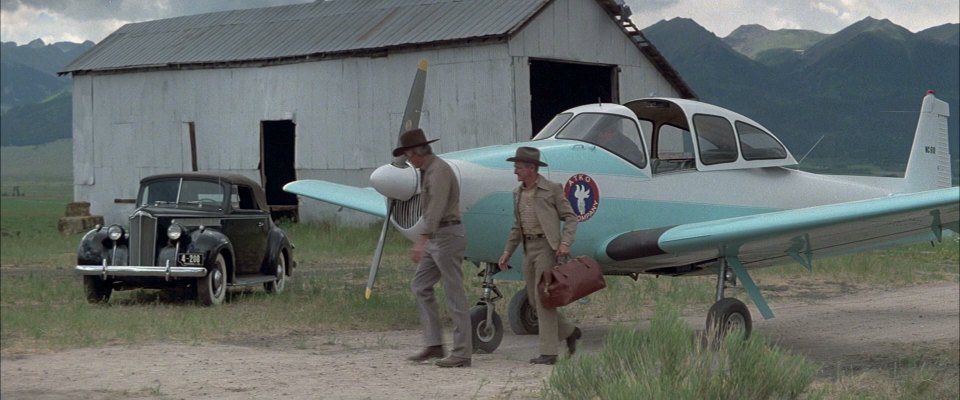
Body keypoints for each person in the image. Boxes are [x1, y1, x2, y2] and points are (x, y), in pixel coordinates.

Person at [394, 128, 473, 368]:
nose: (409, 161)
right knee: (420, 285)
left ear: (418, 152)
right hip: (436, 237)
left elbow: (436, 207)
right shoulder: (429, 171)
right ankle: (434, 344)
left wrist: (422, 240)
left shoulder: (439, 171)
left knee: (454, 293)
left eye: (409, 155)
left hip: (446, 235)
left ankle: (462, 353)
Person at [497, 146, 581, 365]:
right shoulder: (518, 193)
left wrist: (564, 243)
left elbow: (571, 217)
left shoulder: (552, 189)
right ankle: (571, 332)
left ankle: (549, 353)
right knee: (534, 300)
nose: (515, 171)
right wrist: (507, 251)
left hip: (546, 247)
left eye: (518, 167)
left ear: (531, 168)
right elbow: (517, 226)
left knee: (543, 299)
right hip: (528, 248)